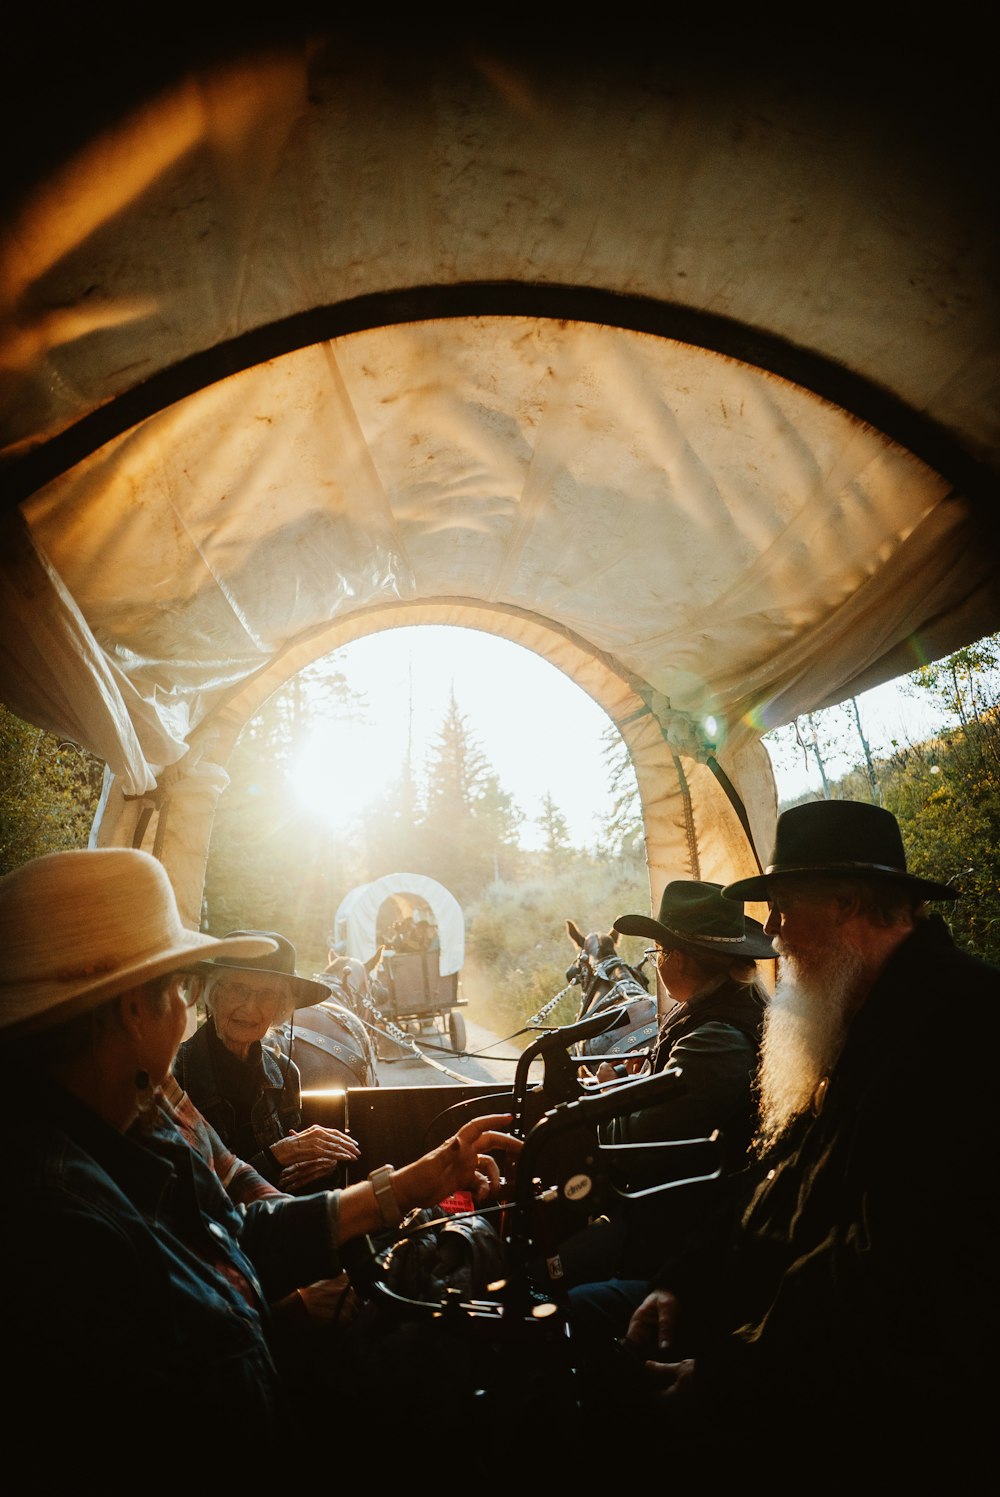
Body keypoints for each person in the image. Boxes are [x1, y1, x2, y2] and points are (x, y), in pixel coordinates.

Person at [0, 847, 521, 1468]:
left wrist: (409, 1186)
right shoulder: (56, 1213)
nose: (196, 1008)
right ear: (137, 1007)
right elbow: (194, 1404)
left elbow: (233, 1219)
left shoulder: (143, 1109)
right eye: (184, 988)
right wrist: (295, 1314)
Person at [575, 801, 998, 1475]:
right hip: (763, 1319)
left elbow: (878, 1264)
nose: (771, 934)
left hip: (855, 1384)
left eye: (780, 908)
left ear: (848, 902)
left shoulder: (961, 1025)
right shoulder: (856, 1006)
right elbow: (768, 1176)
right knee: (570, 1328)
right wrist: (678, 1282)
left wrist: (724, 1379)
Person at [554, 881, 774, 1284]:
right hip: (672, 1203)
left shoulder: (717, 1040)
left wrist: (605, 1094)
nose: (656, 961)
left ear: (682, 959)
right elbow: (663, 1081)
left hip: (677, 1225)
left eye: (658, 952)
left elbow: (632, 1144)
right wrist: (625, 1078)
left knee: (551, 1273)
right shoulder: (709, 1009)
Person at [173, 930, 359, 1191]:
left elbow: (292, 1182)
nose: (250, 1007)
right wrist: (276, 1157)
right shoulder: (174, 1076)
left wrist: (320, 1167)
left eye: (267, 994)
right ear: (212, 994)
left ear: (281, 1008)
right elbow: (192, 1194)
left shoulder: (285, 1072)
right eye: (238, 989)